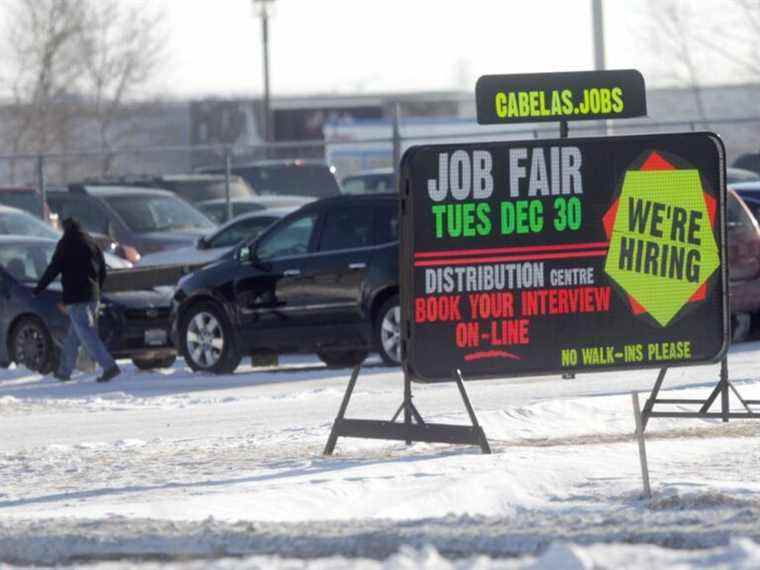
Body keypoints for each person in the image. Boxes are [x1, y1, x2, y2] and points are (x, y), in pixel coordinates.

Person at [33, 217, 121, 383]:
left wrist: (39, 289)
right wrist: (97, 290)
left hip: (76, 296)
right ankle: (64, 371)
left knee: (86, 334)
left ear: (66, 228)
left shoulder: (66, 243)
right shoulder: (90, 241)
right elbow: (102, 268)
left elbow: (54, 268)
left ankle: (109, 366)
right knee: (74, 336)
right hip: (92, 296)